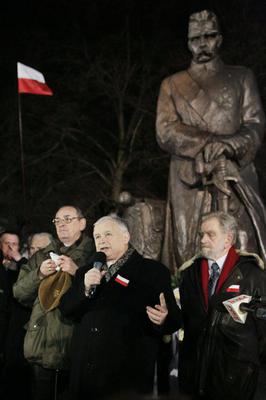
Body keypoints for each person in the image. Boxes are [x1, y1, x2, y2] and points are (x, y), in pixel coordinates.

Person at [156, 9, 266, 272]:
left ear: (220, 38)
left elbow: (255, 123)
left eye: (209, 36)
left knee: (243, 241)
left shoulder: (241, 77)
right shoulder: (172, 84)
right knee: (187, 247)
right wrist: (208, 144)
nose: (203, 43)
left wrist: (228, 146)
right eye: (196, 38)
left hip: (234, 171)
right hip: (189, 177)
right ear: (188, 42)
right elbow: (165, 130)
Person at [59, 215, 181, 399]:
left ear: (126, 237)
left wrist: (164, 319)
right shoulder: (86, 271)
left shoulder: (152, 271)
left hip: (126, 373)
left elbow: (174, 320)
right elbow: (66, 309)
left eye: (108, 234)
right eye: (98, 236)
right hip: (86, 370)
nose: (102, 240)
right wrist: (84, 289)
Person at [178, 211, 266, 400]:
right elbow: (185, 319)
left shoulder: (252, 275)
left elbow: (263, 330)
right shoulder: (190, 274)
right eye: (201, 234)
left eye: (210, 234)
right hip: (194, 375)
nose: (202, 240)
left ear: (228, 239)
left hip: (235, 377)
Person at [13, 206, 94, 400]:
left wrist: (77, 272)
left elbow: (102, 297)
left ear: (82, 223)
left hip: (75, 348)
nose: (62, 224)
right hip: (41, 346)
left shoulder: (95, 255)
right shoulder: (41, 256)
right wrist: (39, 274)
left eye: (68, 219)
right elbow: (19, 293)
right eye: (57, 221)